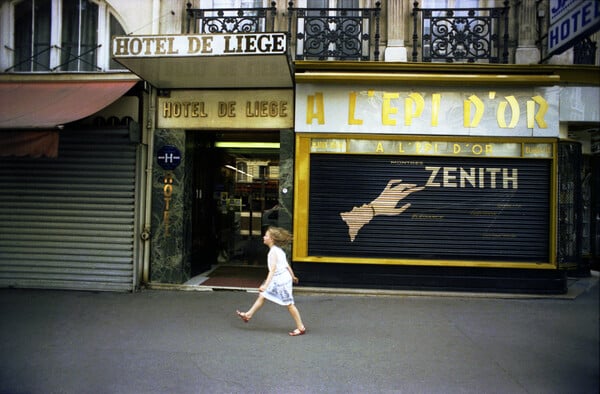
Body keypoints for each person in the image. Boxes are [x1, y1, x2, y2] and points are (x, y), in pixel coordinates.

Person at [236, 226, 306, 336]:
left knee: (289, 304)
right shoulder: (279, 250)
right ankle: (248, 315)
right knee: (263, 295)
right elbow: (286, 264)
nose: (263, 237)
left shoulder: (273, 252)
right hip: (281, 277)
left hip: (281, 280)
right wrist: (293, 276)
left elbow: (272, 270)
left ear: (271, 239)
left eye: (266, 236)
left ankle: (301, 327)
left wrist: (265, 285)